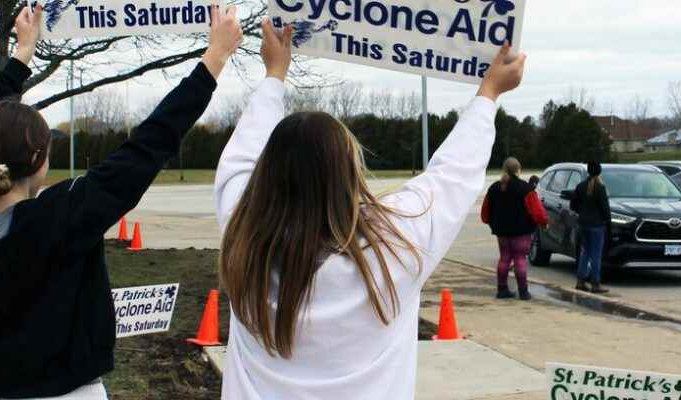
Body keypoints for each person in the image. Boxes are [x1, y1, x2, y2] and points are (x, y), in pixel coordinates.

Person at [0, 5, 243, 398]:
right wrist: (215, 59)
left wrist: (22, 55)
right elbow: (149, 145)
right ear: (37, 159)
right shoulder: (58, 218)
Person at [213, 19, 526, 399]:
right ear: (349, 175)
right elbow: (452, 176)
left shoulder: (243, 240)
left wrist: (274, 74)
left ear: (266, 176)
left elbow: (241, 156)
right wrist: (488, 93)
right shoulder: (395, 247)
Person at [480, 157, 548, 300]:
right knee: (520, 259)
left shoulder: (494, 188)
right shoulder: (526, 189)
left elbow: (485, 211)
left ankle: (502, 289)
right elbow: (537, 211)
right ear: (518, 170)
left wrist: (490, 222)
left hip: (502, 231)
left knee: (504, 258)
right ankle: (523, 292)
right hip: (521, 231)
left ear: (504, 169)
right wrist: (544, 222)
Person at [570, 162, 611, 294]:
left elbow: (573, 205)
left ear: (588, 171)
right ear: (599, 172)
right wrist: (608, 223)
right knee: (596, 255)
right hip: (597, 225)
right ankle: (595, 283)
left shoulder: (580, 186)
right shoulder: (600, 188)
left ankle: (580, 281)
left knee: (585, 252)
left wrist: (582, 211)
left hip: (582, 224)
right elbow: (605, 209)